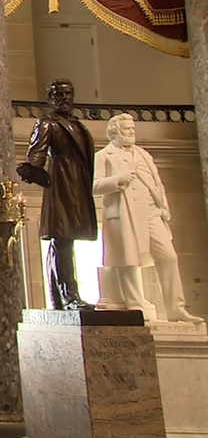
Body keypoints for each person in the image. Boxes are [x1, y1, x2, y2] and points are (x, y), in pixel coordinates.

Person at [93, 114, 203, 322]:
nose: (131, 133)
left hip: (151, 213)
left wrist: (164, 206)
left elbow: (157, 183)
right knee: (128, 259)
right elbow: (93, 186)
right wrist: (117, 180)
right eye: (127, 129)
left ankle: (175, 308)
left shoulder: (143, 154)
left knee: (168, 257)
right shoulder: (104, 156)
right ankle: (135, 304)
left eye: (133, 129)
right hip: (124, 213)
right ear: (115, 132)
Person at [17, 79, 96, 310]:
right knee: (62, 237)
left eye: (68, 94)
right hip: (62, 182)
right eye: (59, 95)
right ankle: (68, 294)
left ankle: (59, 298)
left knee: (65, 239)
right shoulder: (47, 124)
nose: (64, 99)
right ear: (50, 99)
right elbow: (37, 152)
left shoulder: (78, 126)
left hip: (79, 183)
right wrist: (32, 169)